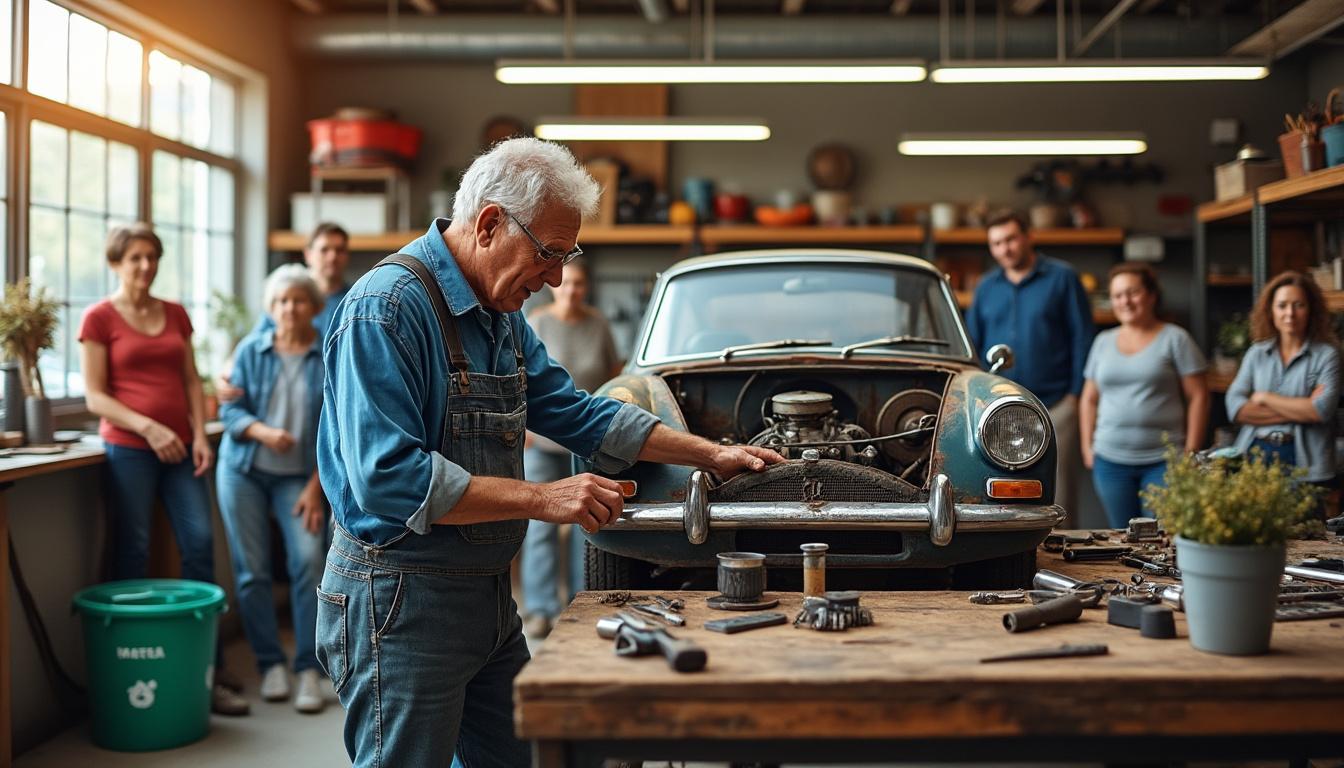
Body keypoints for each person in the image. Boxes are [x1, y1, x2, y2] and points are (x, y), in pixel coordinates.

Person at [316, 137, 783, 768]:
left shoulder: (498, 316)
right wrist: (544, 498)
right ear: (488, 224)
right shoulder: (387, 311)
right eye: (550, 253)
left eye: (568, 255)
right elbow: (389, 481)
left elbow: (576, 411)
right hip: (400, 599)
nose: (558, 276)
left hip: (483, 597)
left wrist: (711, 454)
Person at [78, 223, 249, 717]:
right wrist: (149, 429)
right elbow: (95, 395)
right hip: (129, 449)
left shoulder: (175, 313)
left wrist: (199, 434)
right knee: (133, 551)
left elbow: (191, 381)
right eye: (134, 257)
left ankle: (207, 670)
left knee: (198, 545)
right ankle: (126, 669)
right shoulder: (98, 318)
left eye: (151, 256)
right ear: (115, 263)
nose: (145, 266)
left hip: (182, 451)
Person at [217, 265, 329, 714]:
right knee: (252, 571)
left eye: (298, 300)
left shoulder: (328, 355)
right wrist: (262, 432)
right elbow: (229, 414)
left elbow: (337, 430)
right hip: (243, 470)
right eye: (281, 301)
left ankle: (308, 669)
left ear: (313, 307)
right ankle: (270, 665)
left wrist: (316, 487)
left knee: (307, 562)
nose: (289, 308)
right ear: (271, 307)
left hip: (299, 480)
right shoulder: (250, 351)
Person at [964, 209, 1096, 524]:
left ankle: (1060, 554)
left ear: (1028, 237)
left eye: (1010, 239)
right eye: (996, 244)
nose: (1004, 249)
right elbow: (973, 345)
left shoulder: (1063, 277)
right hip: (997, 408)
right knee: (1001, 488)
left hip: (1057, 402)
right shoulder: (985, 286)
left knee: (1058, 489)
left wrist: (1076, 396)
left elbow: (1082, 337)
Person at [521, 258, 623, 638]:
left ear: (586, 287)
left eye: (580, 283)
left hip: (587, 444)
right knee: (541, 525)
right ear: (554, 284)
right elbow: (518, 378)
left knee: (589, 522)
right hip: (542, 443)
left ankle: (581, 602)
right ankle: (541, 609)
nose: (572, 289)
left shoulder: (599, 324)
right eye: (567, 283)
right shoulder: (537, 322)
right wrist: (524, 429)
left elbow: (615, 376)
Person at [1080, 263, 1209, 528]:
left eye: (1132, 292)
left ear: (1151, 295)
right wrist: (1087, 446)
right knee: (1121, 536)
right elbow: (1089, 398)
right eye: (1117, 295)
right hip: (1109, 461)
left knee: (1161, 538)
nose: (1125, 301)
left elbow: (1199, 397)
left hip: (1163, 461)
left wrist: (1191, 451)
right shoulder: (1103, 341)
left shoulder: (1176, 339)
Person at [1226, 271, 1340, 505]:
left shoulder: (1327, 355)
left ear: (1311, 310)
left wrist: (1263, 396)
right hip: (1255, 453)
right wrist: (1302, 408)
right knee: (1256, 533)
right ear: (1270, 311)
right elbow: (1235, 407)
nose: (1290, 313)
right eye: (1282, 305)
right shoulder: (1257, 353)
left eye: (1298, 305)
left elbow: (1321, 410)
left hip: (1305, 459)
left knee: (1306, 535)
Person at [215, 222, 351, 401]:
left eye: (339, 250)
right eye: (325, 250)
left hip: (332, 394)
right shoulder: (283, 296)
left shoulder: (353, 302)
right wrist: (227, 372)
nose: (333, 257)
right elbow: (256, 342)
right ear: (308, 254)